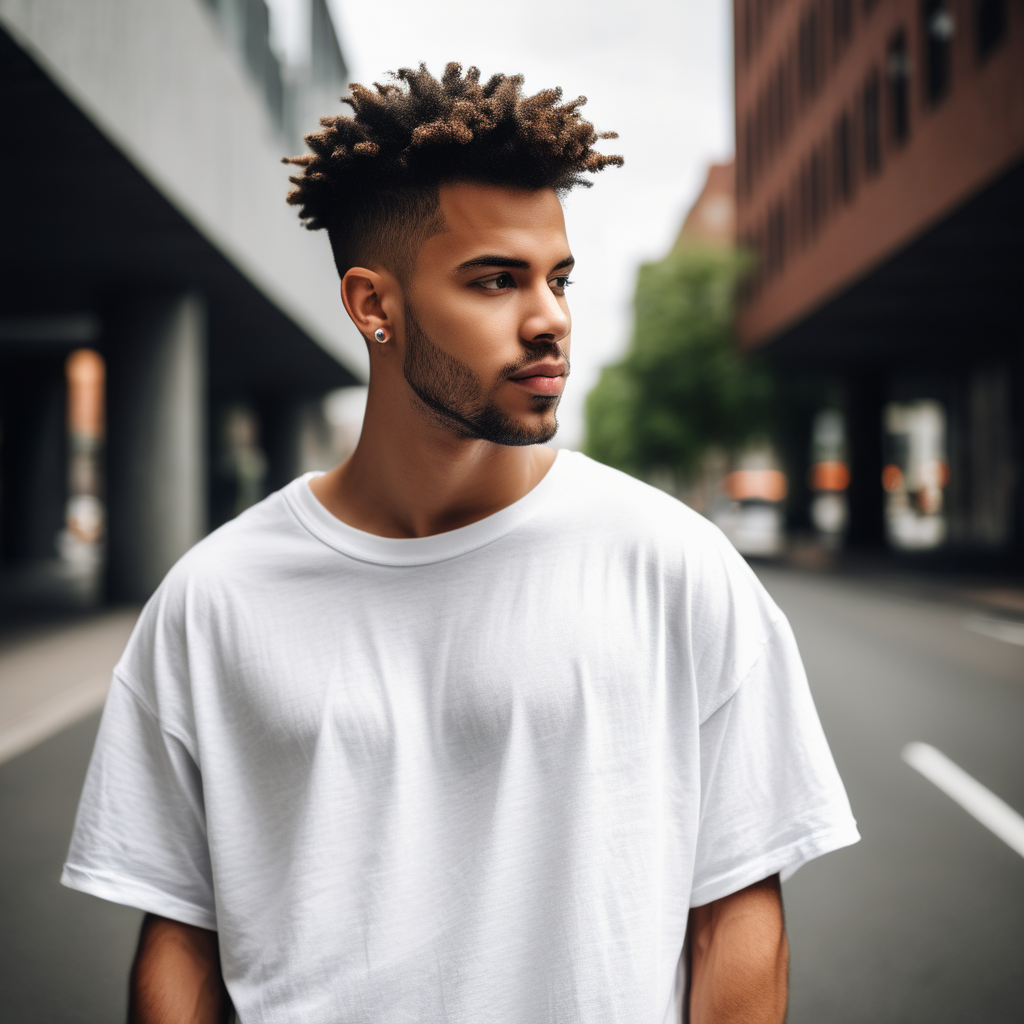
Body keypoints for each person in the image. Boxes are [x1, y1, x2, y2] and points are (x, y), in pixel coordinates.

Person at [63, 63, 858, 1024]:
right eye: (495, 281)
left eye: (558, 278)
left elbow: (733, 918)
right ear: (373, 306)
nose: (550, 320)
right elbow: (183, 942)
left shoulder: (673, 567)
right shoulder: (214, 598)